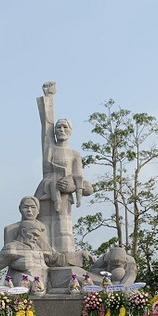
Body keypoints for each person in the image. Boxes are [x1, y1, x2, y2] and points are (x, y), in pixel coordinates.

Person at [35, 81, 93, 253]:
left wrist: (72, 186)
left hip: (64, 197)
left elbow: (79, 179)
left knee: (63, 228)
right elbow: (46, 126)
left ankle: (64, 257)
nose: (60, 129)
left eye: (64, 127)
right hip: (46, 193)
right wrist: (49, 97)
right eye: (58, 127)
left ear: (70, 131)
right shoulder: (49, 149)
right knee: (43, 227)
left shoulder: (75, 155)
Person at [0, 220, 67, 289]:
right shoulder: (12, 249)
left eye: (37, 236)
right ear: (23, 231)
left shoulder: (39, 249)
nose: (36, 238)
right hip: (28, 287)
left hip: (49, 281)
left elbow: (56, 258)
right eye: (33, 234)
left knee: (75, 274)